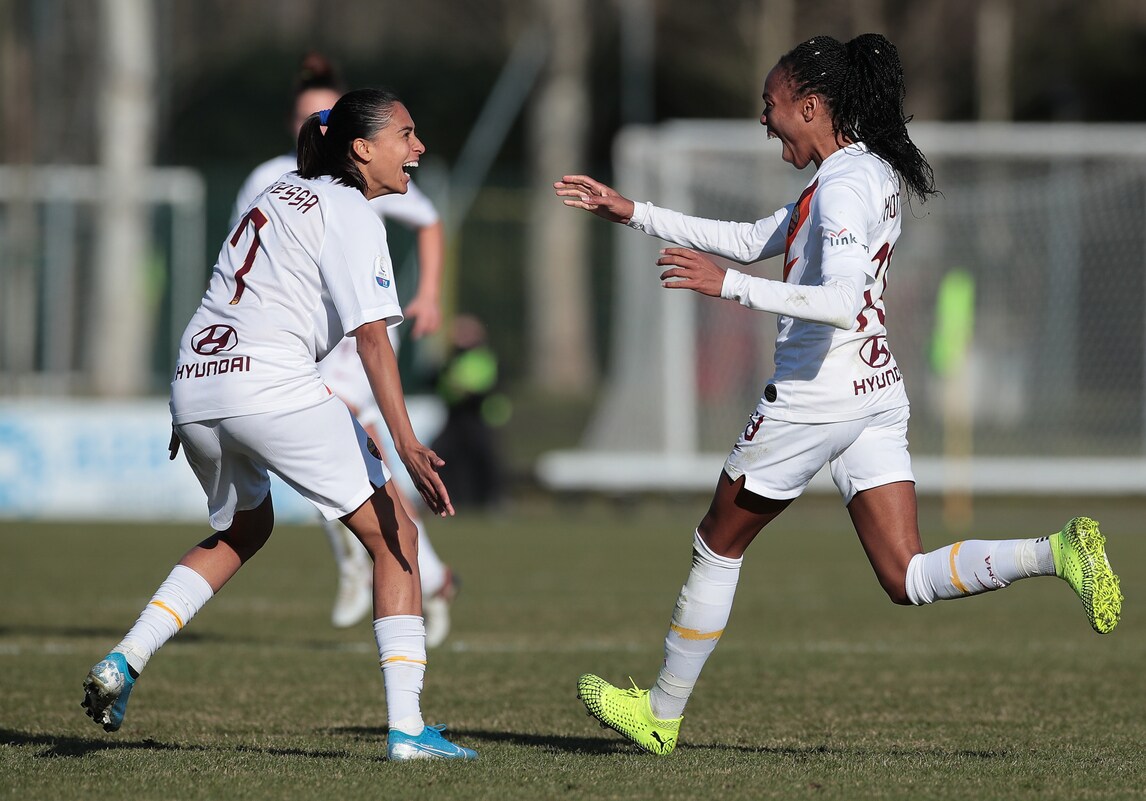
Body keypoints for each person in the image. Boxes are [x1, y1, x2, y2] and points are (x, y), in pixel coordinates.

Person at [554, 33, 1123, 756]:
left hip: (815, 396)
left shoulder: (845, 185)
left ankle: (660, 714)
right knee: (906, 574)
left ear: (811, 106)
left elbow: (840, 301)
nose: (765, 119)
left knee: (718, 542)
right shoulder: (862, 171)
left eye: (771, 105)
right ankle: (1056, 552)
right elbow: (753, 236)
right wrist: (632, 211)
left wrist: (726, 287)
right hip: (875, 389)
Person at [82, 88, 477, 761]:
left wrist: (193, 401)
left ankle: (125, 659)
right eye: (406, 134)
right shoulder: (351, 211)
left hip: (198, 378)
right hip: (269, 385)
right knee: (397, 537)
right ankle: (409, 731)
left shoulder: (278, 193)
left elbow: (223, 293)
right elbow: (374, 339)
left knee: (244, 529)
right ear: (362, 148)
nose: (418, 147)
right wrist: (407, 441)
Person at [233, 53, 459, 642]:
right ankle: (420, 572)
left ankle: (375, 564)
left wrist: (429, 293)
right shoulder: (270, 179)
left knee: (355, 451)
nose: (315, 122)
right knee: (359, 462)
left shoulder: (366, 181)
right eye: (307, 114)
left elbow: (428, 220)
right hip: (288, 343)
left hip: (353, 334)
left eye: (326, 111)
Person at [431, 314, 509, 511]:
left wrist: (461, 389)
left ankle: (493, 500)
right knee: (444, 455)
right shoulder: (453, 359)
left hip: (479, 415)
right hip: (456, 416)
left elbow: (483, 386)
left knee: (485, 457)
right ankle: (453, 499)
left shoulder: (483, 357)